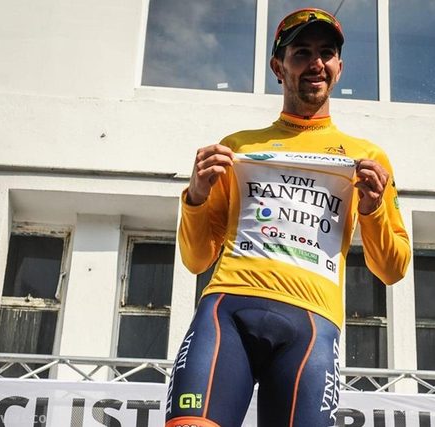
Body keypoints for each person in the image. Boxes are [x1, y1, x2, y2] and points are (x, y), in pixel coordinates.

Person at [165, 8, 410, 427]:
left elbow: (392, 269)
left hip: (312, 325)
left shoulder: (367, 157)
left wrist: (371, 211)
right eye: (301, 53)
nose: (316, 63)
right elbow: (196, 259)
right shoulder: (238, 147)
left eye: (326, 53)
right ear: (278, 67)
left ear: (339, 67)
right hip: (228, 310)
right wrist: (197, 196)